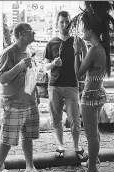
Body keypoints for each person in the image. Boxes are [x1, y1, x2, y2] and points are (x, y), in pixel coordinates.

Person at [65, 2, 114, 172]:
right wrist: (83, 51)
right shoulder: (100, 48)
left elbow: (78, 74)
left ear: (91, 29)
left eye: (84, 29)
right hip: (98, 93)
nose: (83, 32)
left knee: (91, 135)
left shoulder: (94, 49)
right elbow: (88, 70)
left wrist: (76, 52)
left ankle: (91, 169)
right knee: (94, 132)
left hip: (90, 96)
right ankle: (93, 159)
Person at [0, 23, 45, 172]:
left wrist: (36, 96)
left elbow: (30, 76)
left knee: (28, 136)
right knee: (7, 138)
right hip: (13, 103)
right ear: (21, 34)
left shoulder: (29, 51)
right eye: (30, 31)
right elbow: (2, 78)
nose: (34, 33)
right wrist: (19, 66)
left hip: (29, 102)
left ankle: (30, 167)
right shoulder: (9, 53)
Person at [43, 11, 88, 160]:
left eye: (66, 22)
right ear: (57, 23)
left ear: (70, 23)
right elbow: (45, 67)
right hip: (54, 86)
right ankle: (60, 145)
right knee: (56, 118)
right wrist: (53, 63)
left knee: (75, 119)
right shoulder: (51, 43)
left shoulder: (77, 41)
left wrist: (83, 49)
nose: (64, 25)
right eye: (61, 22)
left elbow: (84, 62)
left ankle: (76, 146)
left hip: (72, 85)